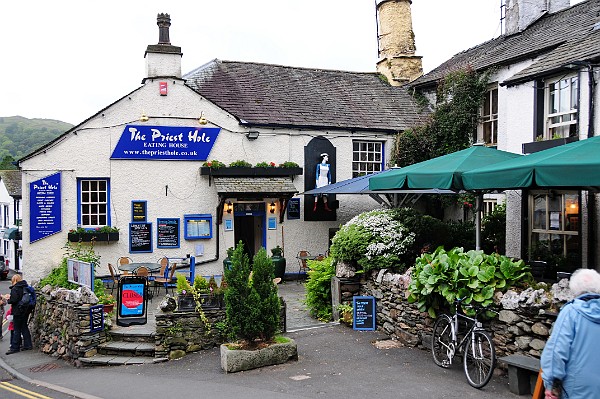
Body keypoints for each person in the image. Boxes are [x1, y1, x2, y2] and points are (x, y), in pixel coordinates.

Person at [540, 268, 600, 399]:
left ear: (574, 289)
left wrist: (551, 385)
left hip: (577, 388)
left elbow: (556, 352)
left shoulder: (571, 312)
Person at [5, 274, 32, 354]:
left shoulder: (15, 289)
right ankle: (28, 345)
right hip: (25, 310)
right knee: (24, 327)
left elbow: (14, 300)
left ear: (14, 281)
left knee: (16, 329)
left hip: (17, 311)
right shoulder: (25, 287)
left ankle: (14, 347)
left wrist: (8, 299)